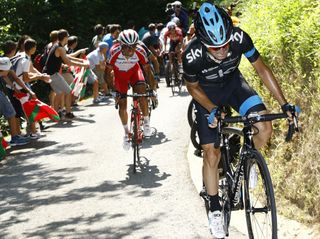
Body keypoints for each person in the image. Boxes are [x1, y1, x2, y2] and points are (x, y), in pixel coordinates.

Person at [182, 3, 295, 238]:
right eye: (215, 48)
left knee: (264, 127)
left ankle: (248, 160)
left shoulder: (239, 37)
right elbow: (192, 87)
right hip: (206, 95)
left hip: (234, 86)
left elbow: (262, 70)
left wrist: (284, 103)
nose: (223, 51)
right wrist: (212, 109)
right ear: (202, 42)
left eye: (225, 45)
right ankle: (214, 209)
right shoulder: (191, 55)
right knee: (210, 152)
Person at [106, 29, 155, 150]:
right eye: (127, 47)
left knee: (142, 94)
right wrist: (113, 90)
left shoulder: (140, 51)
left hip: (134, 72)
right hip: (120, 76)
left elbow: (148, 71)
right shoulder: (114, 52)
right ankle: (126, 133)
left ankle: (147, 122)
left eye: (133, 46)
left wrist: (151, 89)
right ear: (121, 45)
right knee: (122, 105)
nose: (131, 50)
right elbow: (106, 74)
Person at [42, 29, 89, 120]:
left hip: (51, 73)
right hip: (52, 74)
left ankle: (56, 115)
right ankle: (67, 113)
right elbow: (68, 61)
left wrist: (80, 60)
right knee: (68, 91)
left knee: (59, 93)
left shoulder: (58, 46)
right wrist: (83, 64)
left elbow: (67, 57)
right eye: (67, 36)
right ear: (65, 37)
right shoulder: (60, 48)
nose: (68, 38)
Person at [0, 57, 29, 146]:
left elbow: (5, 77)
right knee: (11, 112)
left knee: (11, 113)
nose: (8, 71)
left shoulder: (2, 74)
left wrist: (14, 88)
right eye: (7, 69)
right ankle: (14, 138)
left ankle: (9, 139)